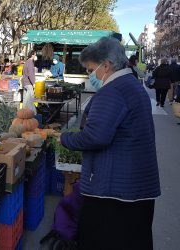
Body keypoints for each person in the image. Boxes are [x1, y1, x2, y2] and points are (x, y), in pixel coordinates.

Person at [57, 37, 160, 250]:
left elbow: (95, 136)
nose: (90, 75)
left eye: (90, 69)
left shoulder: (112, 91)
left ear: (106, 65)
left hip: (115, 192)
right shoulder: (132, 84)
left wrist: (64, 138)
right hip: (135, 187)